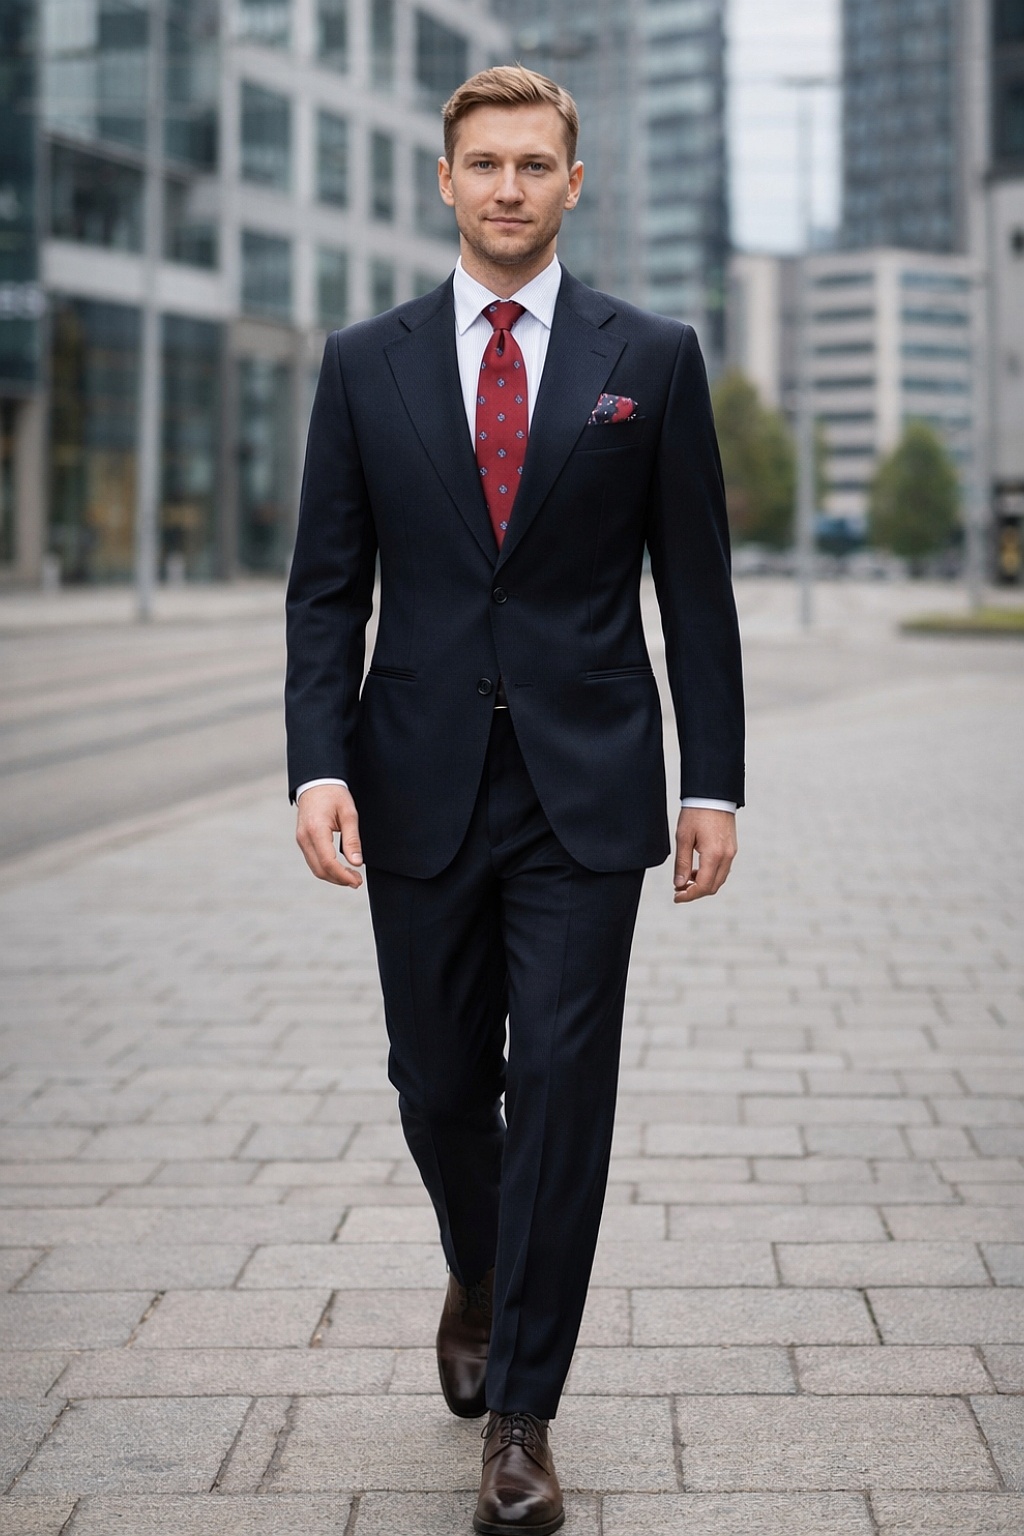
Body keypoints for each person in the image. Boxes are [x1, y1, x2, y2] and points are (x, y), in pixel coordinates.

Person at [286, 65, 744, 1536]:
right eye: (482, 163)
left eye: (533, 164)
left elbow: (699, 590)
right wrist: (315, 763)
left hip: (585, 791)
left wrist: (715, 783)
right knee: (437, 1087)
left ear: (573, 183)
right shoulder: (364, 362)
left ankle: (524, 1419)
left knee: (559, 1091)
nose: (505, 187)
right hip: (413, 778)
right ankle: (477, 1267)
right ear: (443, 179)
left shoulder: (651, 358)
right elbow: (324, 592)